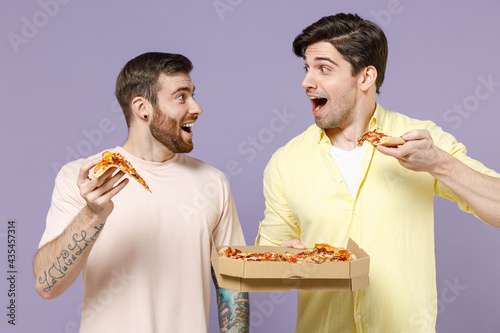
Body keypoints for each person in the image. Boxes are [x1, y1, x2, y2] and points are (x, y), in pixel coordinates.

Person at [257, 13, 500, 332]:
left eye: (323, 68)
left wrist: (437, 162)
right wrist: (282, 261)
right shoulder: (285, 162)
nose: (306, 82)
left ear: (365, 77)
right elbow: (264, 263)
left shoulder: (422, 141)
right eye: (307, 69)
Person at [33, 52, 249, 333]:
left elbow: (232, 283)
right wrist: (92, 214)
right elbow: (47, 286)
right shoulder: (86, 178)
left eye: (193, 95)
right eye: (181, 96)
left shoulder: (213, 182)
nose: (197, 108)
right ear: (142, 108)